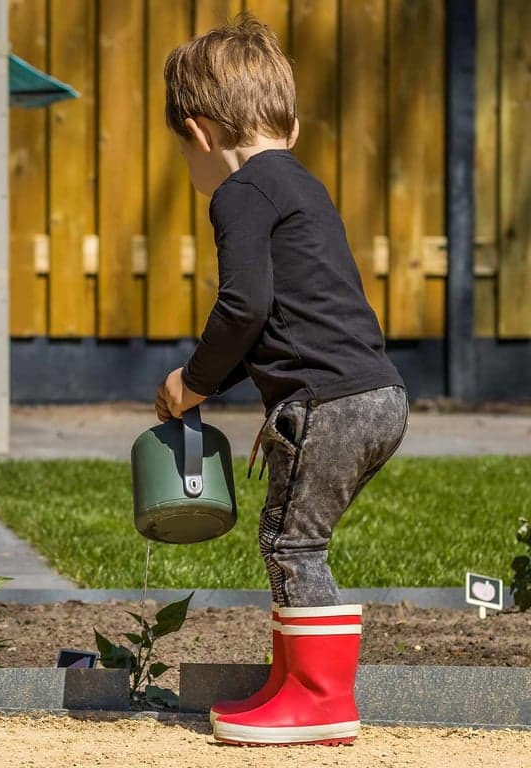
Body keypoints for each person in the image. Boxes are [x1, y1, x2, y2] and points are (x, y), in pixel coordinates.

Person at [155, 14, 408, 747]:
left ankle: (320, 701)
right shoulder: (302, 184)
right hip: (377, 395)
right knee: (296, 538)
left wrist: (192, 382)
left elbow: (242, 307)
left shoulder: (238, 193)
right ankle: (293, 681)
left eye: (184, 152)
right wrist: (206, 383)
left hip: (328, 404)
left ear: (198, 133)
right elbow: (272, 319)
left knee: (295, 546)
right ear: (290, 125)